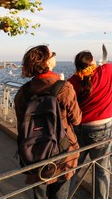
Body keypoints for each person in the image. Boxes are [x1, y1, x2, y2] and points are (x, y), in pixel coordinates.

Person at [14, 45, 82, 199]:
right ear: (46, 62)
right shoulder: (64, 88)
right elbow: (77, 119)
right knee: (60, 194)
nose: (55, 56)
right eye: (53, 54)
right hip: (63, 152)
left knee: (39, 194)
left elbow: (21, 123)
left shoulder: (23, 92)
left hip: (33, 152)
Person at [68, 51, 112, 199]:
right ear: (92, 61)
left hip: (79, 128)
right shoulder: (106, 71)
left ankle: (63, 196)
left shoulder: (73, 81)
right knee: (101, 169)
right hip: (102, 129)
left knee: (72, 167)